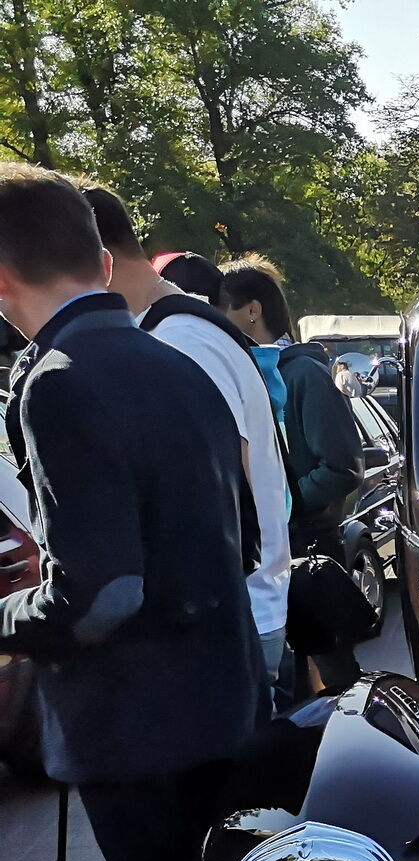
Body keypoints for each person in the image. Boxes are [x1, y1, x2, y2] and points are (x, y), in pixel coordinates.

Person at [0, 165, 321, 861]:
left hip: (135, 728)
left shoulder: (56, 381)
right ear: (94, 254)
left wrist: (11, 615)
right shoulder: (178, 357)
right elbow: (234, 543)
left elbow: (99, 597)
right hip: (222, 697)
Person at [85, 189, 292, 700]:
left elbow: (217, 482)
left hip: (226, 621)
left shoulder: (180, 340)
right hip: (230, 614)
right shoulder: (179, 329)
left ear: (99, 261)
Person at [217, 255, 364, 694]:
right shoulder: (255, 373)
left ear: (252, 310)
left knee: (335, 683)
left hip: (310, 547)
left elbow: (342, 467)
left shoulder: (303, 374)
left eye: (219, 310)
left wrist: (283, 506)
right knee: (297, 685)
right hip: (279, 549)